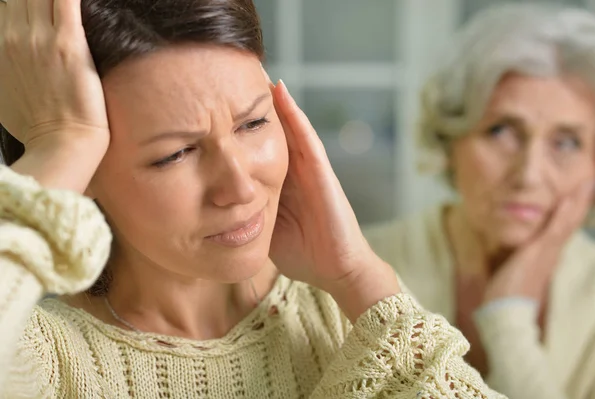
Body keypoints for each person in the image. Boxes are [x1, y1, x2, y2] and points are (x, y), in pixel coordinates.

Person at [0, 0, 503, 397]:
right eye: (175, 154)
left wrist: (361, 279)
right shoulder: (42, 360)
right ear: (83, 173)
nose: (240, 187)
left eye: (254, 122)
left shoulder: (356, 317)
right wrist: (61, 143)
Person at [365, 3, 595, 399]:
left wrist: (507, 316)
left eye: (566, 142)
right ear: (450, 139)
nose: (528, 175)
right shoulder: (362, 265)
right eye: (501, 131)